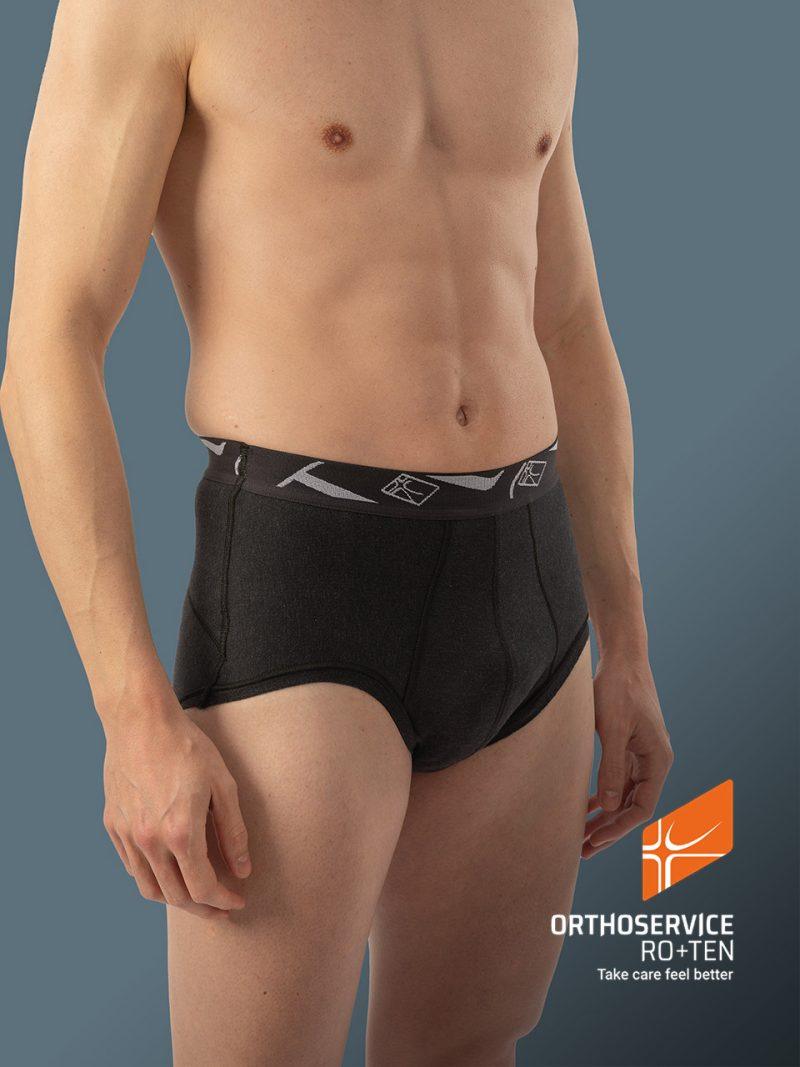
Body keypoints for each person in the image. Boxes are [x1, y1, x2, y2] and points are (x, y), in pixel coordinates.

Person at [1, 0, 673, 1063]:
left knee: (469, 1045)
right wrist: (131, 713)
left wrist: (627, 643)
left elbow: (568, 320)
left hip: (527, 583)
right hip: (308, 581)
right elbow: (51, 339)